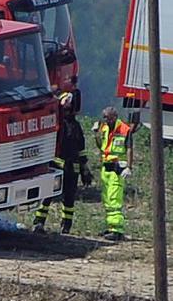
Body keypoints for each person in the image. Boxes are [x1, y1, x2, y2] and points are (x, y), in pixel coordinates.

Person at [33, 92, 92, 234]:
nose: (68, 108)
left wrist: (85, 169)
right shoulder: (56, 124)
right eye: (66, 105)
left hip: (73, 168)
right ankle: (39, 223)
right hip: (57, 166)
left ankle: (66, 226)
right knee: (47, 195)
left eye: (69, 106)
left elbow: (81, 149)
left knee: (69, 198)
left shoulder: (76, 126)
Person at [94, 106, 133, 241]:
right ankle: (111, 227)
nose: (105, 120)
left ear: (114, 117)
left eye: (107, 117)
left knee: (114, 199)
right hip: (106, 167)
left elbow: (129, 148)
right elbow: (101, 146)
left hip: (117, 168)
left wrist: (129, 166)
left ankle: (117, 230)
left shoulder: (124, 129)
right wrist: (96, 134)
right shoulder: (104, 128)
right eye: (104, 117)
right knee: (106, 198)